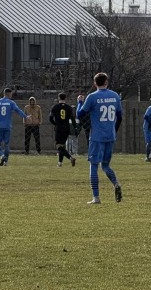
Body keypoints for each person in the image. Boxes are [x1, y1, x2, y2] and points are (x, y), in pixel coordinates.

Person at [77, 72, 123, 204]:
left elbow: (80, 115)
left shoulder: (92, 97)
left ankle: (96, 197)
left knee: (93, 166)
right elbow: (119, 117)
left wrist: (79, 102)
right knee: (106, 165)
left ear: (95, 83)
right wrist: (113, 130)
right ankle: (116, 183)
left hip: (97, 136)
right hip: (110, 135)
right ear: (106, 82)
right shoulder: (115, 96)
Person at [49, 92, 77, 168]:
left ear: (58, 98)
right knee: (62, 146)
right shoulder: (69, 107)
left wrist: (55, 124)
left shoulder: (55, 107)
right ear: (65, 98)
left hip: (59, 128)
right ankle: (60, 163)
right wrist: (75, 127)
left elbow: (50, 118)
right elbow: (72, 119)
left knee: (58, 146)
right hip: (66, 128)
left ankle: (71, 158)